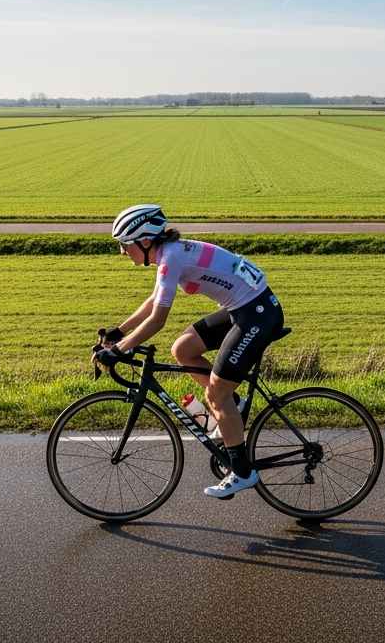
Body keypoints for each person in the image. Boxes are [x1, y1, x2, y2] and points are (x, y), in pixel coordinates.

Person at [92, 204, 284, 499]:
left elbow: (158, 319)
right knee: (183, 349)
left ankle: (243, 471)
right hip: (244, 308)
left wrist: (118, 350)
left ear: (144, 242)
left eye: (124, 244)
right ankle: (233, 406)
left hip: (257, 314)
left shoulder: (170, 259)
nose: (121, 251)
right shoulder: (169, 254)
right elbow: (155, 299)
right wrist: (120, 331)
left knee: (215, 395)